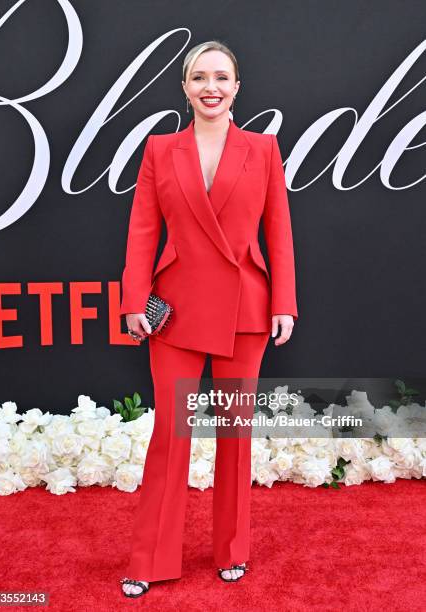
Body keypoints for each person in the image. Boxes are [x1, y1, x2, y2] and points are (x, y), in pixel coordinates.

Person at [119, 39, 298, 598]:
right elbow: (143, 230)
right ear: (184, 88)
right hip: (173, 311)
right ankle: (149, 560)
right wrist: (132, 300)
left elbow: (280, 234)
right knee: (171, 435)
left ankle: (232, 551)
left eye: (221, 77)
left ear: (237, 86)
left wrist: (284, 302)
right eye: (200, 78)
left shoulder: (264, 150)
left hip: (245, 309)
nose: (211, 88)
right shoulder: (158, 151)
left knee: (234, 434)